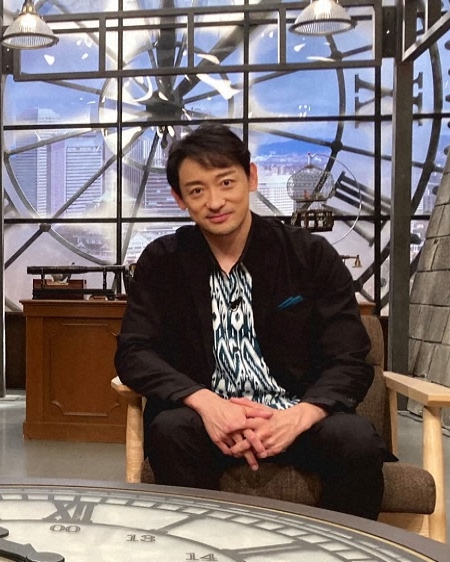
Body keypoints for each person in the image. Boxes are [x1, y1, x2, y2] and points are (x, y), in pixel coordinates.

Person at [113, 123, 391, 520]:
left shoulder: (309, 256)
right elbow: (134, 352)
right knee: (170, 431)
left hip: (295, 416)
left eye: (226, 182)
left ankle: (342, 548)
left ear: (252, 178)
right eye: (197, 190)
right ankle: (199, 546)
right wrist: (207, 404)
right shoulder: (163, 262)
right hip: (208, 422)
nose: (215, 201)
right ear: (179, 198)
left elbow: (349, 357)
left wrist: (298, 416)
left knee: (355, 439)